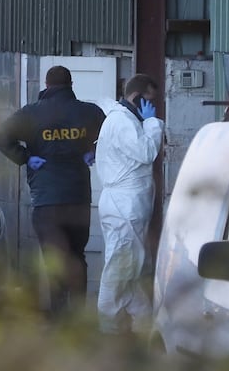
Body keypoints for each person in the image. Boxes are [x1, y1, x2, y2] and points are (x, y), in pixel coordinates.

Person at [0, 65, 105, 317]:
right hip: (78, 198)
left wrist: (24, 157)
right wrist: (94, 151)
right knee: (77, 256)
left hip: (47, 200)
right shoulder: (89, 112)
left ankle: (55, 317)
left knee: (54, 260)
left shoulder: (31, 114)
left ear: (46, 85)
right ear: (71, 84)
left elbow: (0, 136)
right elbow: (110, 136)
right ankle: (77, 316)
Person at [95, 73, 165, 335]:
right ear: (136, 97)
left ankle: (144, 324)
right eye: (149, 101)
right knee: (119, 268)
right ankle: (107, 329)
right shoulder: (123, 121)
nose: (152, 106)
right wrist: (153, 124)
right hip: (125, 208)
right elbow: (146, 152)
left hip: (126, 206)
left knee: (133, 269)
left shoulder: (123, 119)